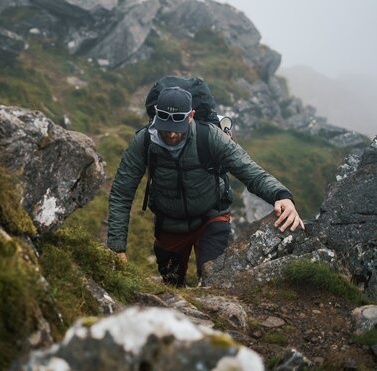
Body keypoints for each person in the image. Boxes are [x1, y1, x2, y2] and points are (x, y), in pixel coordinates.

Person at [106, 86, 304, 286]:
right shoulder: (144, 141)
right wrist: (116, 247)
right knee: (172, 283)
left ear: (191, 115)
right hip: (169, 224)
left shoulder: (209, 136)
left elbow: (249, 170)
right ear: (157, 114)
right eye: (166, 126)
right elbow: (122, 192)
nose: (172, 134)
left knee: (213, 279)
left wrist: (281, 195)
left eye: (178, 126)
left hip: (211, 217)